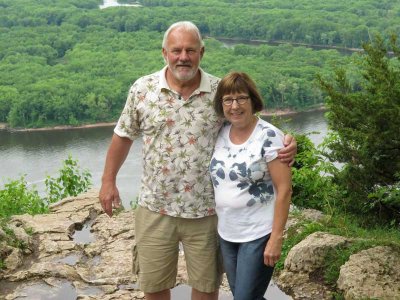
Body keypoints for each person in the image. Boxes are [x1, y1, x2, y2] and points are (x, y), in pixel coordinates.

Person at [99, 21, 297, 300]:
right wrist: (109, 181)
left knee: (206, 288)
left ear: (201, 52)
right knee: (154, 286)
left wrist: (285, 141)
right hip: (155, 207)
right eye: (176, 50)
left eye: (190, 50)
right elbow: (123, 136)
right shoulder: (142, 89)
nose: (183, 57)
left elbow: (248, 123)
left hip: (206, 212)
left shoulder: (219, 91)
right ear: (164, 53)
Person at [209, 71, 292, 300]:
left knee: (244, 297)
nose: (235, 106)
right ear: (222, 104)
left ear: (253, 100)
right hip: (227, 233)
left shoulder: (269, 136)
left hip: (258, 233)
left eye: (241, 98)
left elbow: (284, 190)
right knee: (244, 295)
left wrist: (276, 238)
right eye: (228, 100)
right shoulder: (221, 132)